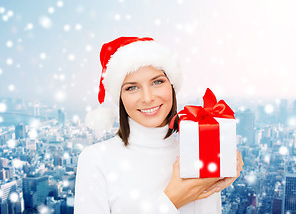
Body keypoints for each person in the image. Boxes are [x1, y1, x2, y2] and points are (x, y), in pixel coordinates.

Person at [74, 37, 244, 214]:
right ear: (120, 97)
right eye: (132, 87)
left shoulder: (198, 150)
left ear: (172, 85)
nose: (147, 98)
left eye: (157, 82)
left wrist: (222, 173)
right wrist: (172, 200)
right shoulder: (96, 159)